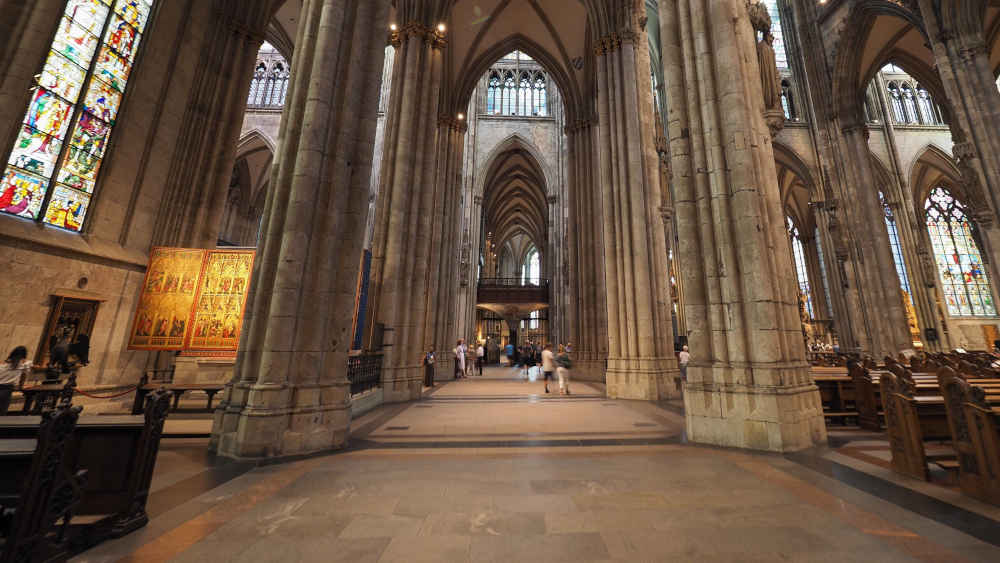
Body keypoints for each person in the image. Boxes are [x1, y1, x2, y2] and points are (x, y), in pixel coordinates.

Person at [0, 346, 31, 414]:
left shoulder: (3, 364)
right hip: (6, 390)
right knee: (1, 412)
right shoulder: (24, 365)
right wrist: (21, 386)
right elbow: (23, 377)